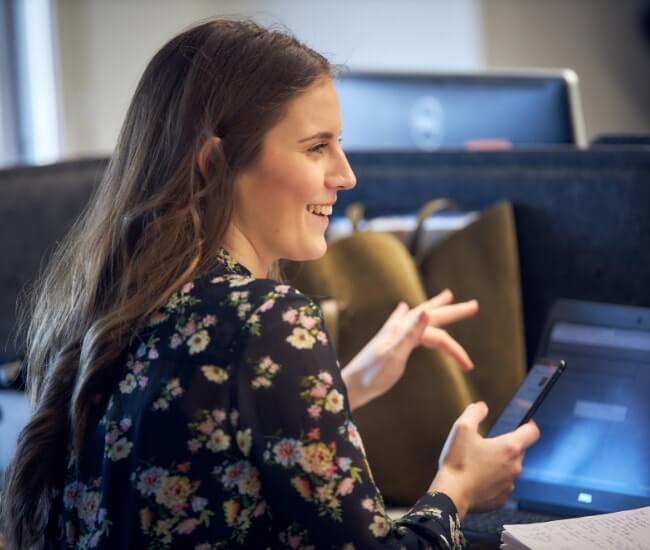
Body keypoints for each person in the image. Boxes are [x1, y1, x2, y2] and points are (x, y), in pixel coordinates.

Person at [1, 19, 539, 549]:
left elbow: (201, 452)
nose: (346, 175)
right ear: (214, 163)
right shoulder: (266, 319)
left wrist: (350, 382)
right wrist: (457, 488)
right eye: (315, 147)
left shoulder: (117, 305)